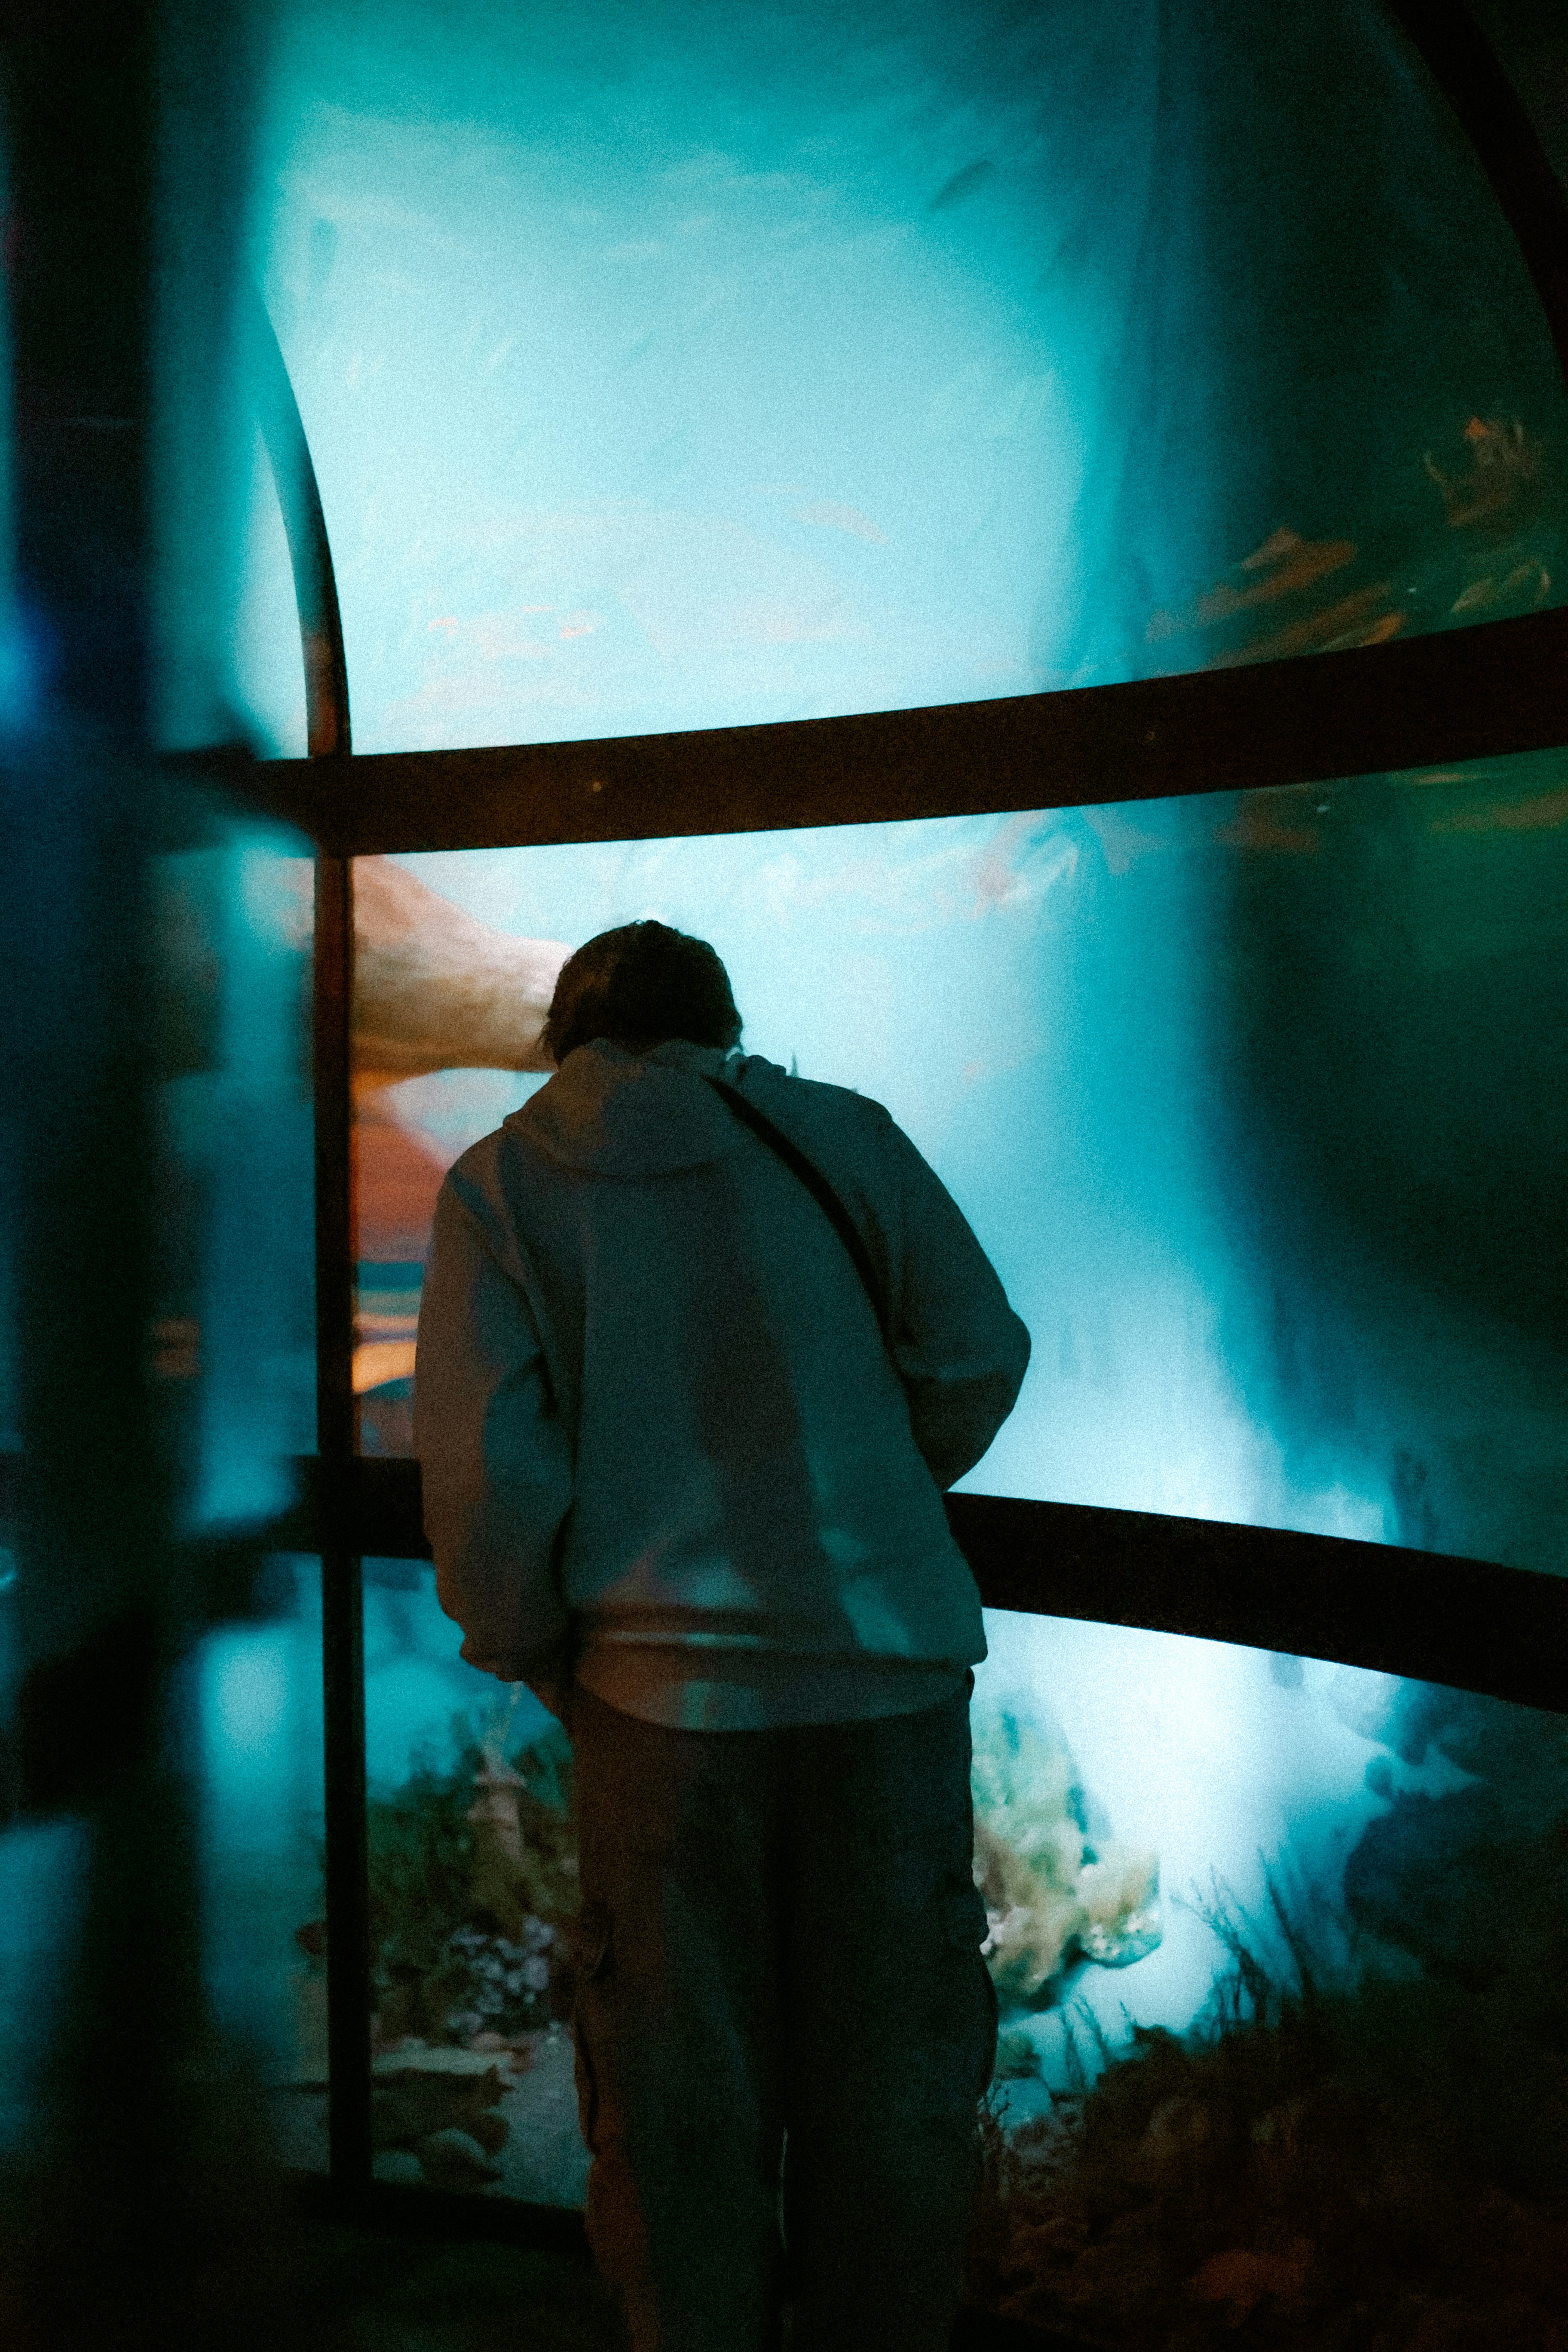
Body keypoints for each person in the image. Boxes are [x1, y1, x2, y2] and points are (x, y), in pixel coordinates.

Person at [415, 920, 1030, 2352]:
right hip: (887, 1685)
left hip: (654, 1716)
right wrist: (874, 1491)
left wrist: (538, 1644)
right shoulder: (843, 1135)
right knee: (891, 2104)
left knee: (682, 2116)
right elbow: (977, 1351)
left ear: (561, 1037)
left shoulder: (500, 1184)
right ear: (728, 1025)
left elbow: (490, 1475)